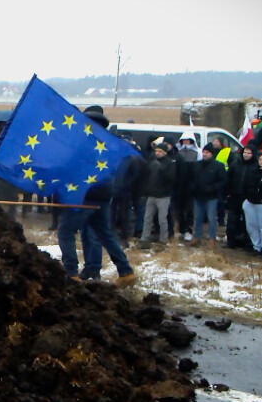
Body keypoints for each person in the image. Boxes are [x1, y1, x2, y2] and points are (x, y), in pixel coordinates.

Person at [58, 106, 137, 287]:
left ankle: (71, 273)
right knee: (105, 234)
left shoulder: (85, 143)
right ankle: (126, 271)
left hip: (87, 194)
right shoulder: (109, 143)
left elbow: (72, 166)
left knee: (65, 231)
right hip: (104, 193)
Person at [138, 142, 176, 249]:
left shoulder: (169, 163)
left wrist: (161, 169)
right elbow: (147, 177)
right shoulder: (152, 161)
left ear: (164, 152)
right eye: (156, 151)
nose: (157, 153)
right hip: (151, 194)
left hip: (163, 196)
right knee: (147, 218)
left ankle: (163, 240)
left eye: (160, 151)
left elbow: (171, 178)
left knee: (162, 219)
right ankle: (144, 239)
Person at [190, 144, 227, 248]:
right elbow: (191, 178)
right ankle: (196, 237)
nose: (205, 154)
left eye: (207, 152)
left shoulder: (218, 166)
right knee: (197, 217)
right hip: (198, 196)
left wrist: (213, 188)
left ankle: (212, 238)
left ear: (212, 154)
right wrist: (193, 187)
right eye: (204, 152)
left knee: (211, 218)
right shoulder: (197, 165)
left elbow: (223, 180)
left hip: (212, 197)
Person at [225, 144, 259, 249]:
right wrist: (228, 193)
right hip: (234, 197)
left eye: (249, 153)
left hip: (248, 198)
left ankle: (247, 243)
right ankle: (231, 241)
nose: (246, 155)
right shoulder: (235, 165)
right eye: (245, 152)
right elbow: (228, 180)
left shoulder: (256, 166)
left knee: (248, 221)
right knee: (231, 220)